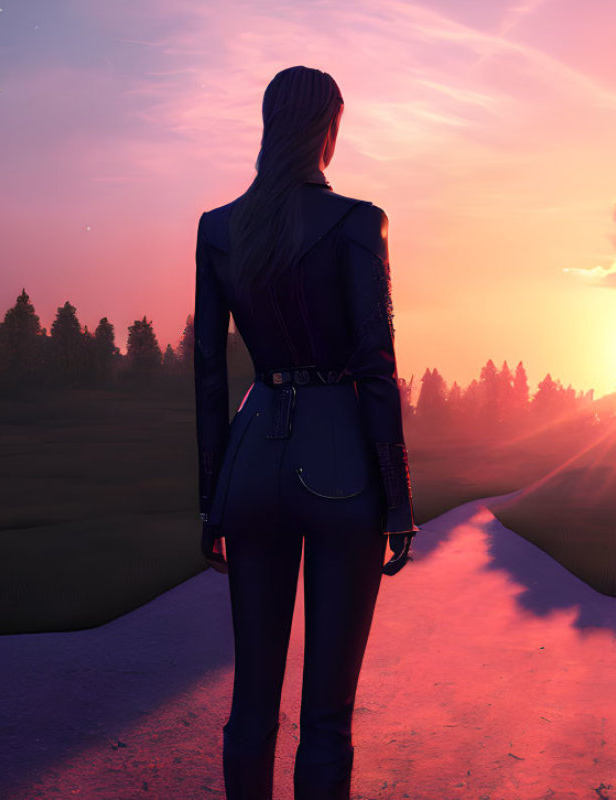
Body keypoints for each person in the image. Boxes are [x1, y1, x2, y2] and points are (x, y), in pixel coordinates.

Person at [193, 65, 421, 800]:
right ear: (330, 126)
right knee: (326, 715)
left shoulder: (219, 227)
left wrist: (211, 500)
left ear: (269, 125)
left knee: (251, 702)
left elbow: (207, 375)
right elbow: (378, 367)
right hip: (341, 466)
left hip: (253, 458)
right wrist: (397, 501)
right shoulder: (358, 221)